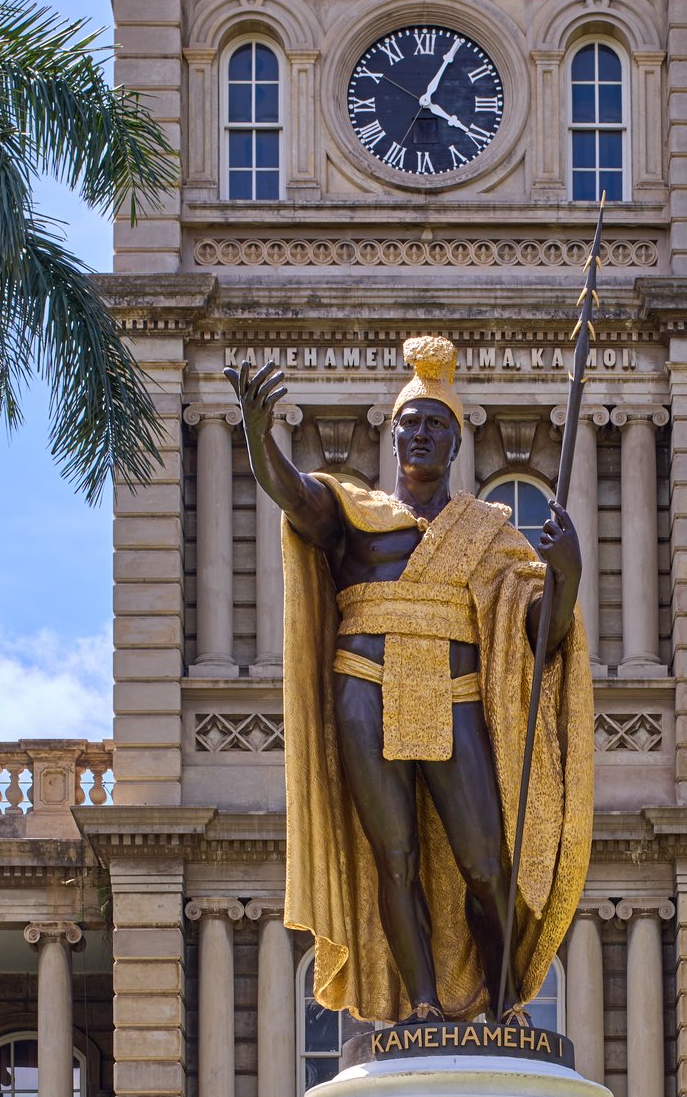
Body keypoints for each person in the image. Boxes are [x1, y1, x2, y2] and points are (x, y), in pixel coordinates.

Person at [225, 333, 594, 1025]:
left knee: (486, 865)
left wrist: (566, 573)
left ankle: (504, 1005)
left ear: (455, 444)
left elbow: (540, 632)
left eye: (436, 425)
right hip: (364, 689)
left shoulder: (487, 531)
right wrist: (257, 436)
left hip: (455, 697)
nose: (421, 434)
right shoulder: (356, 514)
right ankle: (420, 1002)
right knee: (393, 857)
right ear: (392, 438)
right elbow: (292, 494)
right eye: (410, 423)